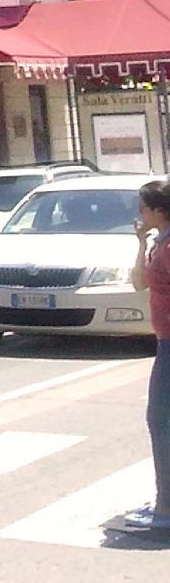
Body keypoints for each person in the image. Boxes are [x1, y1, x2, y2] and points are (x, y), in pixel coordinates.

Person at [113, 179, 170, 535]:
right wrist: (139, 244)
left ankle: (166, 508)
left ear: (158, 211)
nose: (139, 212)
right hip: (165, 341)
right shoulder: (157, 244)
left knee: (160, 420)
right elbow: (139, 283)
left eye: (143, 207)